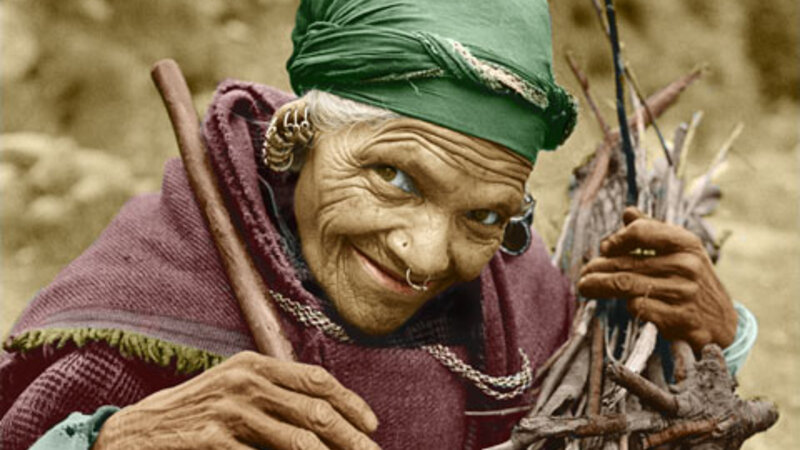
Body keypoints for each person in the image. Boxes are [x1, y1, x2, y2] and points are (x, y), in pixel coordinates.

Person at [1, 0, 754, 449]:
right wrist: (108, 440)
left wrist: (715, 345)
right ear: (300, 138)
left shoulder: (520, 312)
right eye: (394, 177)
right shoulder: (152, 293)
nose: (427, 257)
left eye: (484, 215)